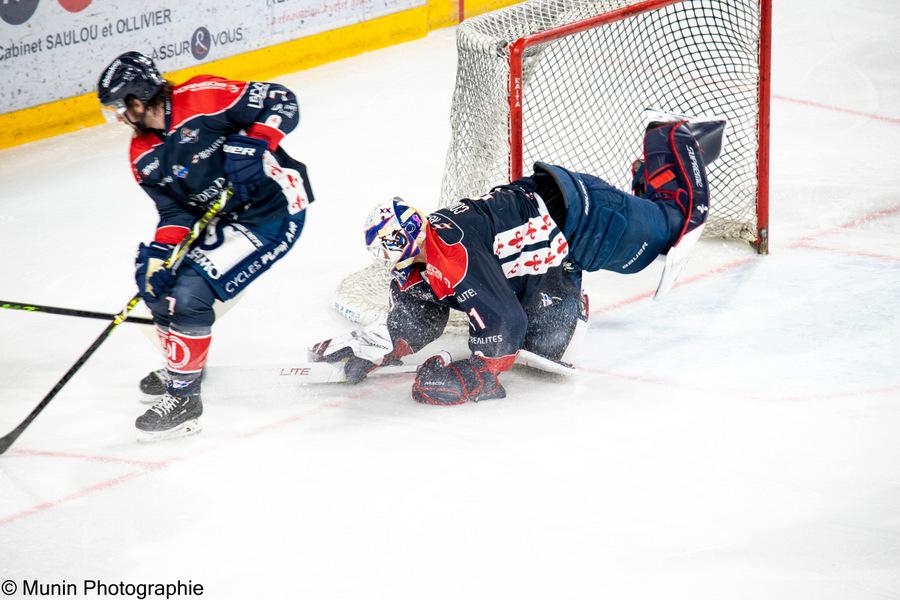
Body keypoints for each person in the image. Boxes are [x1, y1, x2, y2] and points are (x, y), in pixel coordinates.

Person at [309, 120, 708, 405]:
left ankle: (668, 140)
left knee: (672, 227)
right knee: (546, 346)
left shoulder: (448, 247)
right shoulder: (426, 257)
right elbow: (419, 313)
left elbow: (504, 324)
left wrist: (477, 375)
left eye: (387, 247)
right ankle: (643, 193)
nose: (386, 259)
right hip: (556, 235)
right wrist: (375, 345)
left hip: (584, 216)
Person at [97, 51, 314, 441]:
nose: (118, 118)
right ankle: (186, 365)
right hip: (223, 219)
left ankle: (184, 400)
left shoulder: (203, 96)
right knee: (160, 291)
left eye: (118, 107)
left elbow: (283, 101)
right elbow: (175, 212)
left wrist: (258, 142)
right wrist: (160, 257)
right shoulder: (142, 155)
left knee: (188, 295)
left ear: (139, 97)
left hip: (272, 213)